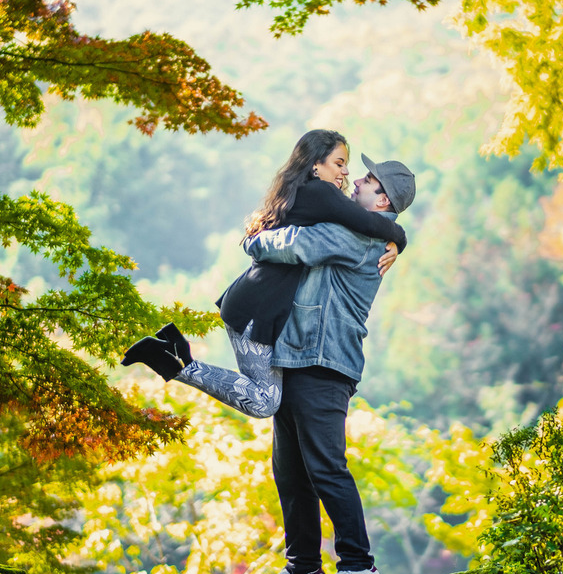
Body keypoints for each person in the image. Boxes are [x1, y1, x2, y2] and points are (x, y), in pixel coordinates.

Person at [121, 130, 405, 418]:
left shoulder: (307, 194)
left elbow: (360, 224)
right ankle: (172, 361)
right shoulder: (321, 192)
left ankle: (175, 351)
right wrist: (399, 237)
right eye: (339, 163)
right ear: (316, 165)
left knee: (265, 399)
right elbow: (369, 223)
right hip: (256, 308)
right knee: (264, 402)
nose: (347, 173)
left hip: (259, 305)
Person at [241, 155, 416, 574]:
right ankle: (303, 569)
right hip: (301, 358)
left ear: (383, 201)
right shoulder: (370, 228)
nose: (357, 179)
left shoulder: (357, 231)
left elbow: (297, 245)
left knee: (325, 467)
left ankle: (358, 565)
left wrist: (254, 239)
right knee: (291, 469)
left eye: (369, 179)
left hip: (324, 362)